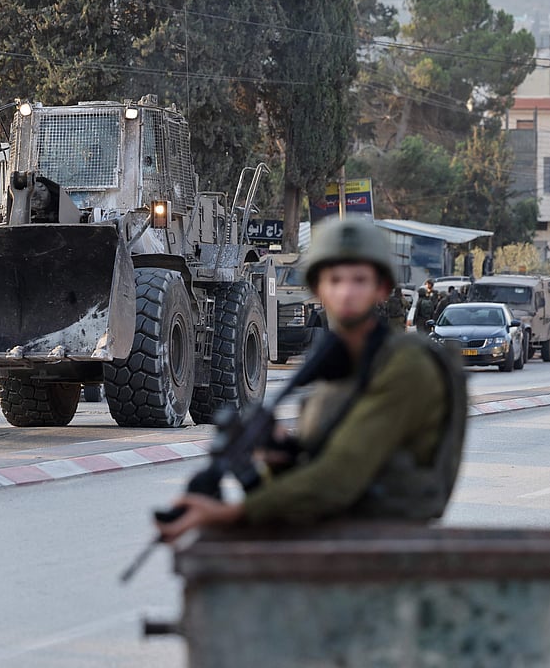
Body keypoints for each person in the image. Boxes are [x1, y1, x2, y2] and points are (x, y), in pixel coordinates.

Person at [156, 216, 463, 540]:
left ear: (381, 289)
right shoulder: (339, 364)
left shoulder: (406, 365)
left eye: (360, 280)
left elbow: (339, 477)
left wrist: (233, 513)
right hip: (337, 532)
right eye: (335, 280)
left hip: (388, 542)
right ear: (318, 289)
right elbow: (322, 467)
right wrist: (282, 455)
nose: (346, 293)